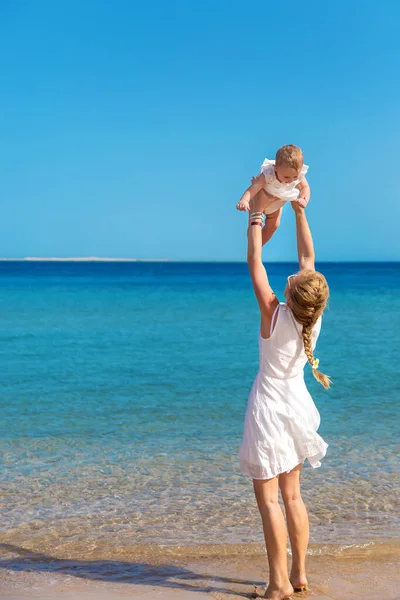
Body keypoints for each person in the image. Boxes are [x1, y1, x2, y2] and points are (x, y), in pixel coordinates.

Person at [239, 193, 330, 600]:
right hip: (296, 407)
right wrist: (299, 211)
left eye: (291, 282)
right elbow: (308, 261)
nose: (291, 275)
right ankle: (300, 574)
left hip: (269, 411)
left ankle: (278, 585)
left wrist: (256, 220)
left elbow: (255, 264)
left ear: (290, 297)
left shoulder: (273, 313)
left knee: (270, 503)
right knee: (293, 496)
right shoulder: (313, 317)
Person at [236, 145, 310, 246]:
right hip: (260, 202)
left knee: (274, 225)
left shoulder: (298, 176)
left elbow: (305, 187)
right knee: (256, 223)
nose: (290, 180)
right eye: (286, 176)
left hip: (276, 205)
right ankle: (253, 243)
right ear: (276, 168)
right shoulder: (268, 174)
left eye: (295, 176)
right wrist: (244, 200)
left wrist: (304, 198)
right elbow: (253, 188)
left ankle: (258, 246)